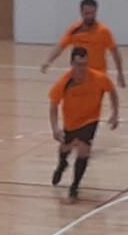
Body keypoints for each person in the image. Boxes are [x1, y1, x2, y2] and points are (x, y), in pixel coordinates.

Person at [48, 47, 119, 202]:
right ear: (72, 64)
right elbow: (53, 105)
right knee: (65, 147)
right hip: (71, 122)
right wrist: (55, 128)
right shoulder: (65, 82)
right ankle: (62, 164)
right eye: (79, 65)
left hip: (90, 120)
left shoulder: (98, 78)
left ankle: (74, 186)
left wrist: (115, 113)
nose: (82, 69)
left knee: (83, 150)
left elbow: (112, 91)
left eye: (85, 64)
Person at [40, 0, 126, 87]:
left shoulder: (104, 31)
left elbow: (115, 53)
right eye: (87, 13)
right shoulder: (75, 30)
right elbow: (61, 46)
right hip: (79, 76)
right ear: (81, 13)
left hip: (98, 77)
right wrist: (48, 61)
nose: (90, 16)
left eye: (92, 13)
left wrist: (120, 73)